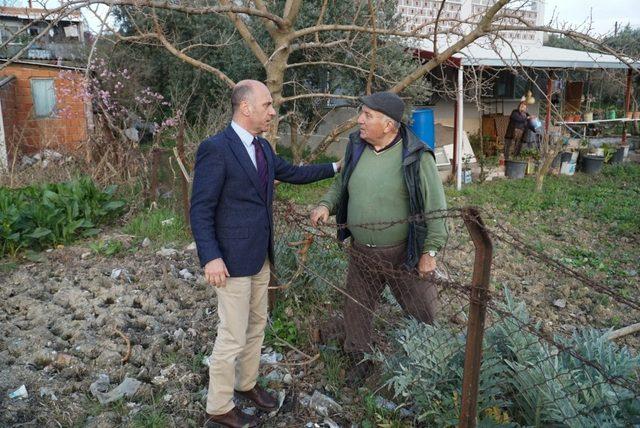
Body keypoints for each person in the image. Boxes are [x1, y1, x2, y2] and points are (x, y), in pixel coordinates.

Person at [190, 80, 338, 428]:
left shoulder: (263, 149)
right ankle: (219, 406)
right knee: (232, 334)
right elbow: (200, 208)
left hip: (261, 256)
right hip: (230, 261)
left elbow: (296, 174)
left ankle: (246, 384)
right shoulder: (216, 149)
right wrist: (210, 256)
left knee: (256, 325)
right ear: (245, 108)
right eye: (268, 105)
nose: (273, 112)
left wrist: (336, 168)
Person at [309, 91, 448, 383]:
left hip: (402, 253)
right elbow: (341, 184)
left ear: (388, 125)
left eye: (367, 115)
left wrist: (429, 252)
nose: (359, 120)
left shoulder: (416, 157)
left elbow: (436, 207)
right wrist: (325, 204)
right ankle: (360, 359)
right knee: (356, 309)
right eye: (362, 113)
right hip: (362, 252)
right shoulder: (357, 147)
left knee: (420, 309)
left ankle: (426, 362)